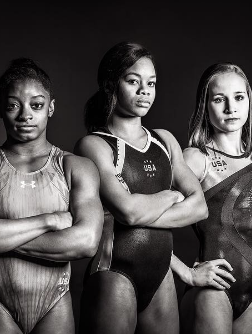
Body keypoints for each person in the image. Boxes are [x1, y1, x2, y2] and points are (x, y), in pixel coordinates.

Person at [0, 58, 103, 334]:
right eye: (13, 106)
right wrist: (48, 220)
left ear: (51, 108)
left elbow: (86, 242)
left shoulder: (76, 167)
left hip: (54, 304)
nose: (25, 115)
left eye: (36, 105)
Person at [73, 42, 209, 334]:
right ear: (111, 85)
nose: (144, 90)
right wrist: (172, 195)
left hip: (161, 275)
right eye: (133, 81)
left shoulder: (164, 140)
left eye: (151, 83)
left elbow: (200, 207)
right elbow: (128, 212)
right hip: (115, 272)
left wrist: (142, 208)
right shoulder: (94, 145)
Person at [170, 63, 252, 334]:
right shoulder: (197, 159)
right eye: (219, 99)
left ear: (249, 102)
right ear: (205, 106)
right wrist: (186, 272)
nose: (231, 108)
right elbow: (143, 219)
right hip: (213, 291)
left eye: (239, 98)